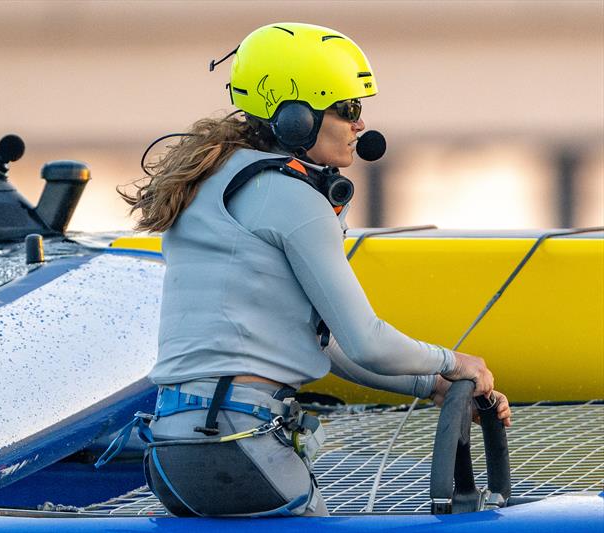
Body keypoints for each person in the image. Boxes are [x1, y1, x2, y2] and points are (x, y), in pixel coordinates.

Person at [113, 22, 512, 517]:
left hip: (172, 448)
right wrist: (457, 365)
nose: (359, 126)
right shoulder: (291, 196)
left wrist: (428, 385)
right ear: (296, 119)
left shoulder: (210, 181)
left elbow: (323, 344)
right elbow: (366, 340)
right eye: (347, 110)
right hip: (242, 443)